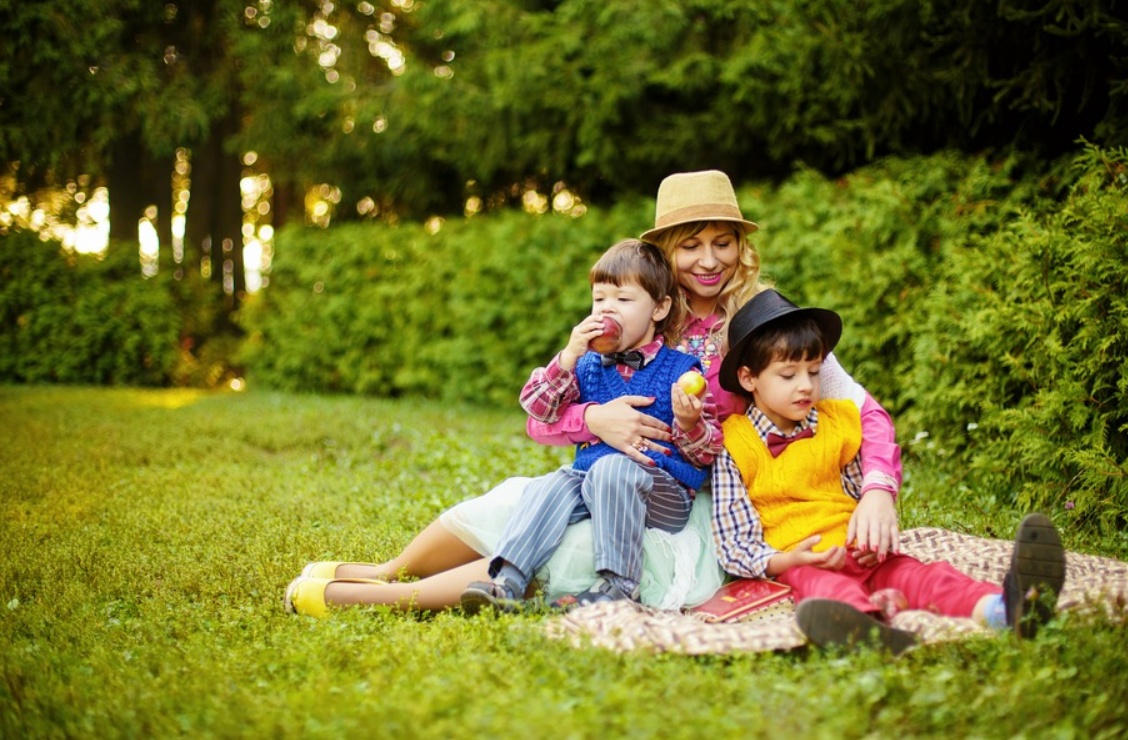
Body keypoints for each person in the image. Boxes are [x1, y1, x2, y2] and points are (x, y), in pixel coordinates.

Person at [284, 170, 901, 617]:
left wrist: (878, 490)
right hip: (607, 467)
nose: (708, 260)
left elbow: (859, 410)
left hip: (704, 500)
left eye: (723, 242)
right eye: (689, 244)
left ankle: (382, 597)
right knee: (520, 503)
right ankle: (386, 570)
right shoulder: (630, 314)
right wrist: (596, 417)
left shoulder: (767, 322)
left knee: (571, 545)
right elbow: (543, 420)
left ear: (742, 247)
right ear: (662, 252)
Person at [710, 288, 1067, 654]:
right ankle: (868, 632)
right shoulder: (734, 445)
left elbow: (857, 492)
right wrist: (789, 559)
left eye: (814, 372)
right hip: (804, 559)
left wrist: (871, 541)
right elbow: (736, 543)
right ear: (749, 378)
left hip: (860, 551)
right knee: (827, 591)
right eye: (788, 375)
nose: (806, 385)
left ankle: (1007, 610)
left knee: (926, 576)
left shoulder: (837, 422)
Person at [459, 239, 723, 613]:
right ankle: (507, 581)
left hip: (662, 493)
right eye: (599, 300)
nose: (607, 310)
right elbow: (538, 408)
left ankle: (619, 586)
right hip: (592, 482)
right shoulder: (585, 365)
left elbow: (707, 452)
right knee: (552, 482)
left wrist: (689, 422)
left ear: (659, 308)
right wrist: (567, 357)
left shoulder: (682, 370)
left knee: (613, 468)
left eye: (623, 300)